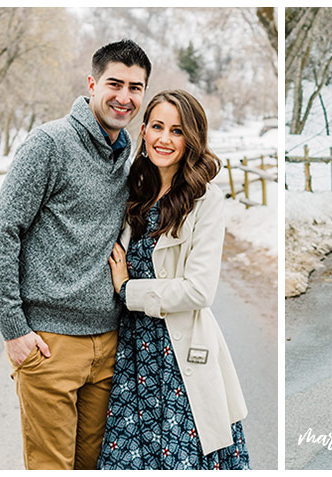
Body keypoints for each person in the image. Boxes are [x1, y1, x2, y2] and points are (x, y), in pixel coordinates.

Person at [0, 39, 150, 469]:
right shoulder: (49, 144)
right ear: (92, 83)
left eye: (135, 87)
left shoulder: (123, 150)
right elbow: (1, 235)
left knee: (93, 465)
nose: (124, 97)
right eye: (115, 83)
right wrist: (14, 330)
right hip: (49, 343)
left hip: (107, 344)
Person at [97, 90, 249, 469]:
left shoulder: (205, 200)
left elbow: (199, 290)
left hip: (177, 354)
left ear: (191, 139)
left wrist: (128, 290)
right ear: (144, 131)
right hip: (131, 354)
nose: (165, 139)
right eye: (158, 127)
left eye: (177, 131)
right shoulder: (133, 190)